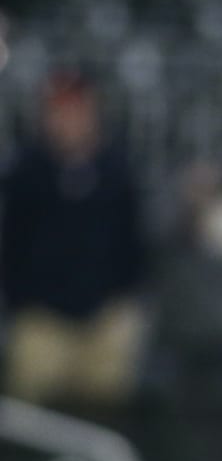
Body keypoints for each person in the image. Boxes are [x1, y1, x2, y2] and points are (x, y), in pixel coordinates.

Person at [0, 68, 149, 406]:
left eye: (76, 109)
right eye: (59, 110)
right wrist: (20, 303)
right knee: (31, 400)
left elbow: (133, 244)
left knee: (107, 401)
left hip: (104, 316)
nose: (68, 119)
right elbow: (12, 246)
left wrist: (126, 303)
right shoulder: (27, 171)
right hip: (42, 317)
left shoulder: (117, 170)